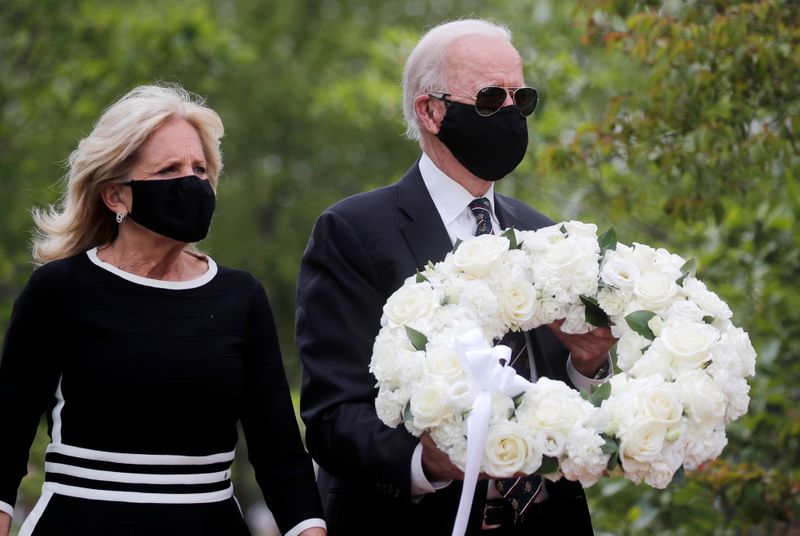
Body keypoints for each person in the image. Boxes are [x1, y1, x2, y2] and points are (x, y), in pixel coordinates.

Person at [296, 19, 618, 535]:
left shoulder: (544, 233)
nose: (511, 114)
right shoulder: (353, 232)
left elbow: (577, 415)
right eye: (491, 99)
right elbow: (333, 417)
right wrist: (428, 463)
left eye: (522, 98)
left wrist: (589, 363)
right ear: (430, 111)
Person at [0, 85, 326, 536]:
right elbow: (6, 437)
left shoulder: (239, 296)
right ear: (116, 195)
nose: (193, 182)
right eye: (170, 170)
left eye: (200, 168)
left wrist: (308, 529)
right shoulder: (60, 289)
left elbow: (279, 451)